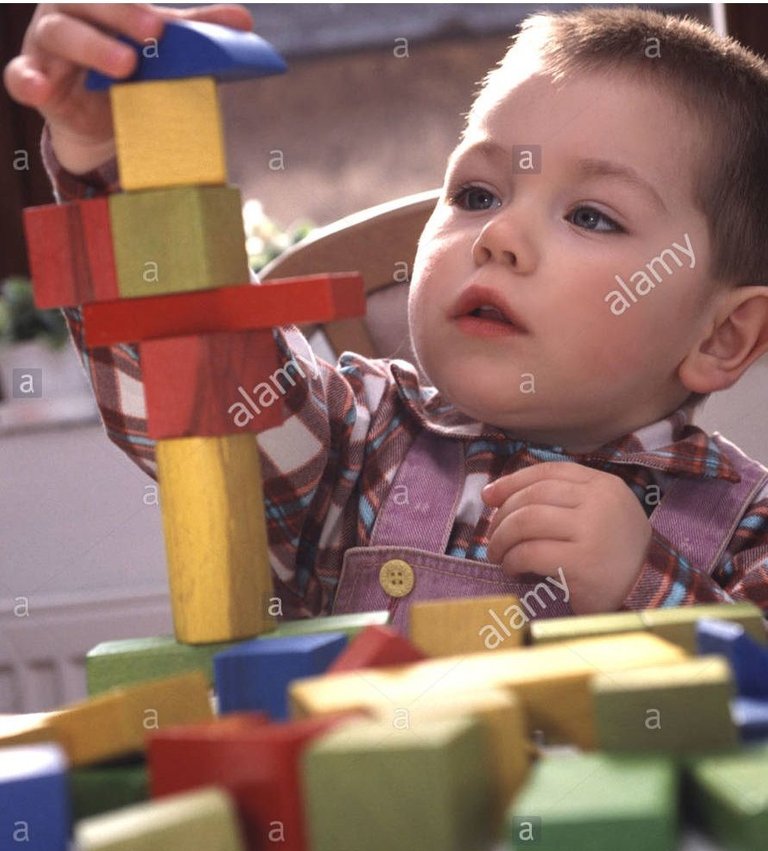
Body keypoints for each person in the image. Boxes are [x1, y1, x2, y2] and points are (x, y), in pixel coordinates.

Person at [6, 4, 768, 630]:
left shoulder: (748, 526)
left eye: (593, 217)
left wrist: (647, 586)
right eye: (477, 195)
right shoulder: (357, 439)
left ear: (721, 335)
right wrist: (114, 153)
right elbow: (192, 369)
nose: (499, 237)